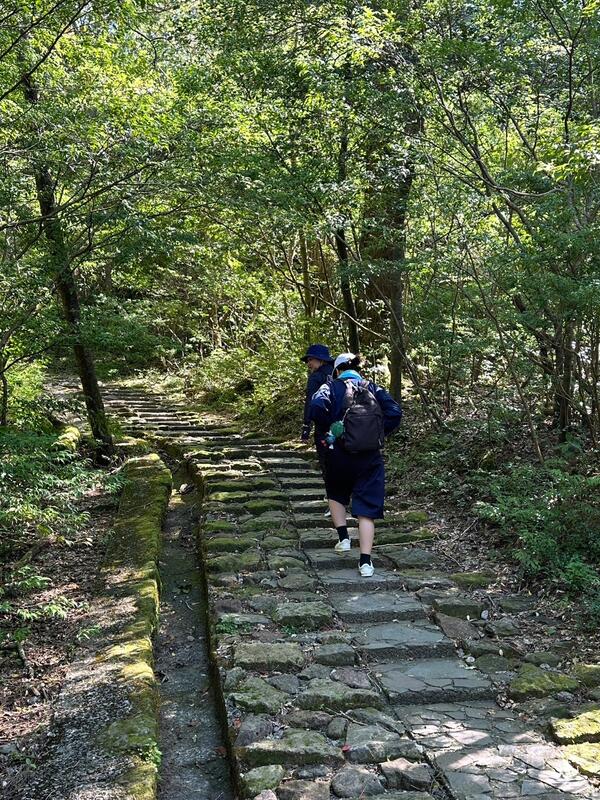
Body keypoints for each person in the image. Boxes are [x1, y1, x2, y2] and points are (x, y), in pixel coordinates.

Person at [309, 353, 402, 577]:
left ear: (337, 370)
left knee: (335, 492)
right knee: (367, 509)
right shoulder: (373, 388)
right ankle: (366, 562)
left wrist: (330, 429)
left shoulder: (329, 387)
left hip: (338, 454)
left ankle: (344, 539)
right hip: (370, 456)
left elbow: (316, 406)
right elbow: (395, 412)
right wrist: (377, 433)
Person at [300, 343, 334, 449]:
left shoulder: (315, 377)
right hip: (341, 422)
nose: (308, 363)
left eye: (310, 359)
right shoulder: (337, 373)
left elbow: (310, 400)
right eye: (307, 361)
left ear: (321, 360)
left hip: (323, 423)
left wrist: (306, 426)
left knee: (324, 451)